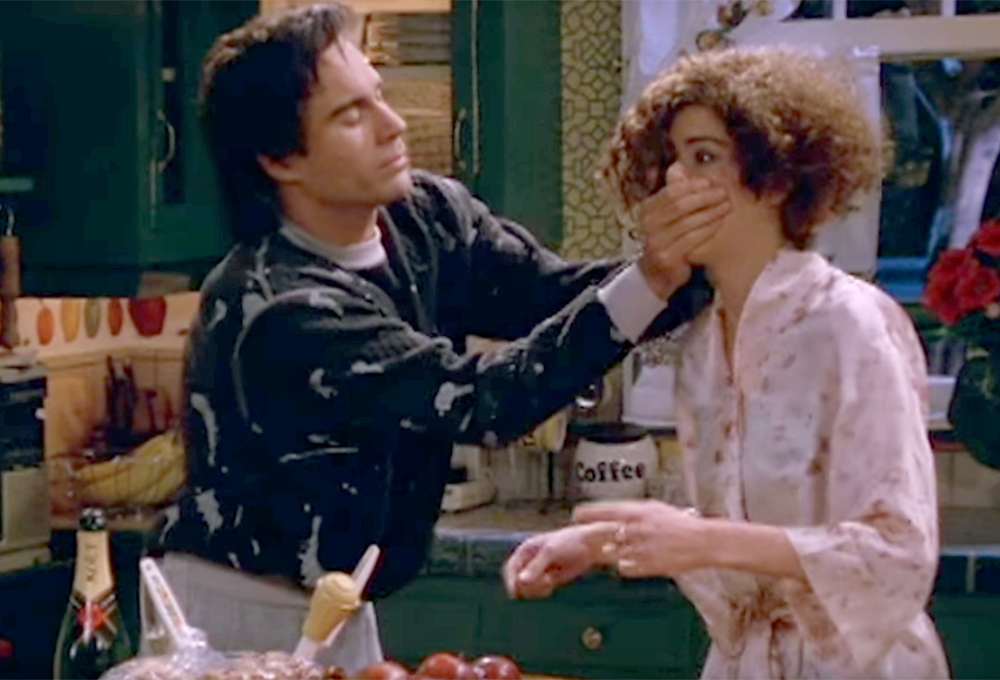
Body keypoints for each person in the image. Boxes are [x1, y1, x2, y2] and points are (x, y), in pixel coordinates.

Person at [150, 2, 726, 669]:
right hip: (233, 611)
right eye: (352, 115)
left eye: (379, 94)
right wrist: (655, 273)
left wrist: (699, 263)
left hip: (342, 600)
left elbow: (548, 295)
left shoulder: (427, 216)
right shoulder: (280, 305)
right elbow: (482, 400)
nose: (394, 124)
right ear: (280, 159)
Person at [503, 46, 950, 679]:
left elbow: (899, 550)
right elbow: (744, 537)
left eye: (704, 157)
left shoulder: (851, 324)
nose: (676, 182)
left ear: (777, 178)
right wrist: (603, 542)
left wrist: (698, 540)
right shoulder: (703, 346)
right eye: (669, 161)